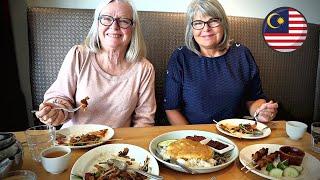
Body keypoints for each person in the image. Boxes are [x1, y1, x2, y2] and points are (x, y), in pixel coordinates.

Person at [35, 0, 156, 128]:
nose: (114, 26)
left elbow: (144, 121)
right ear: (97, 24)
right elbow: (61, 98)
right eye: (106, 19)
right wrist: (55, 112)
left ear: (133, 28)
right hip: (75, 140)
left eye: (124, 21)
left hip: (119, 144)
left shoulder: (144, 69)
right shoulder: (79, 55)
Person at [164, 0, 278, 125]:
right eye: (198, 23)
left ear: (223, 23)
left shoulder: (242, 54)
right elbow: (172, 108)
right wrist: (190, 139)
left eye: (213, 21)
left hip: (237, 133)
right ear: (191, 29)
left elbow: (253, 100)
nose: (206, 28)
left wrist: (261, 112)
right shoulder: (180, 57)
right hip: (195, 135)